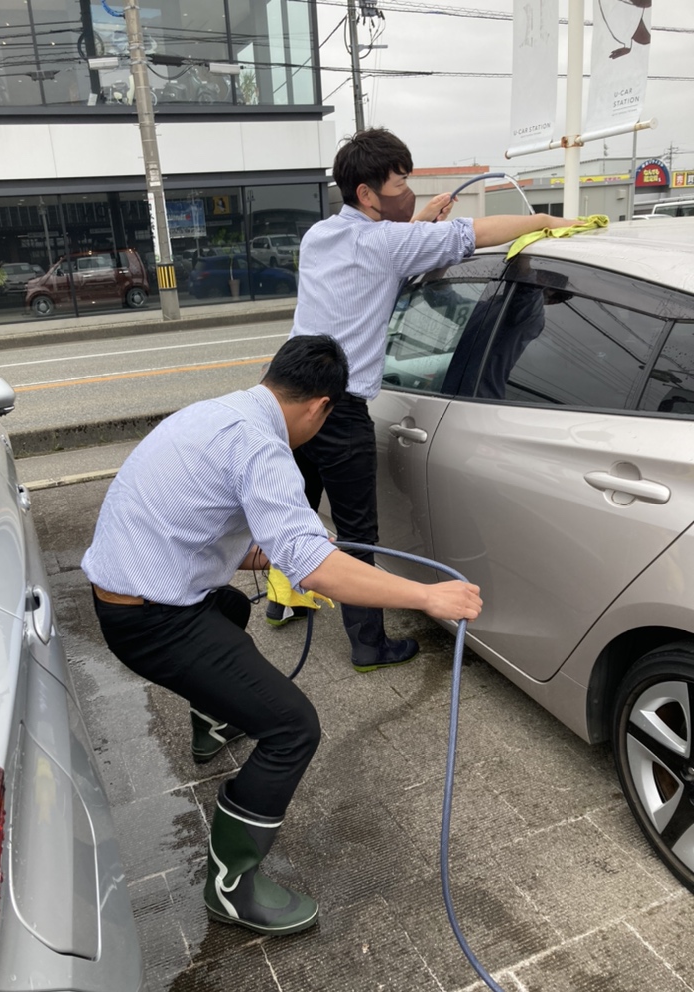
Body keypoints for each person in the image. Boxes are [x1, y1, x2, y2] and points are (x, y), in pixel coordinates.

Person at [81, 334, 481, 937]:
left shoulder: (218, 412)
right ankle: (231, 884)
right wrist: (427, 596)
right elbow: (316, 566)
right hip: (150, 621)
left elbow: (186, 518)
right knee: (293, 727)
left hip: (128, 593)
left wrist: (256, 557)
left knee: (231, 609)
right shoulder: (261, 446)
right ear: (321, 406)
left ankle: (212, 723)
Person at [267, 127, 574, 673]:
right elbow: (474, 233)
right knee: (358, 533)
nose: (408, 187)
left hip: (286, 396)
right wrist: (546, 221)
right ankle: (368, 646)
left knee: (295, 508)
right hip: (336, 410)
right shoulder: (390, 243)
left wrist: (414, 220)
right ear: (367, 193)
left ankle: (280, 599)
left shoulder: (320, 236)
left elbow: (382, 248)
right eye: (400, 179)